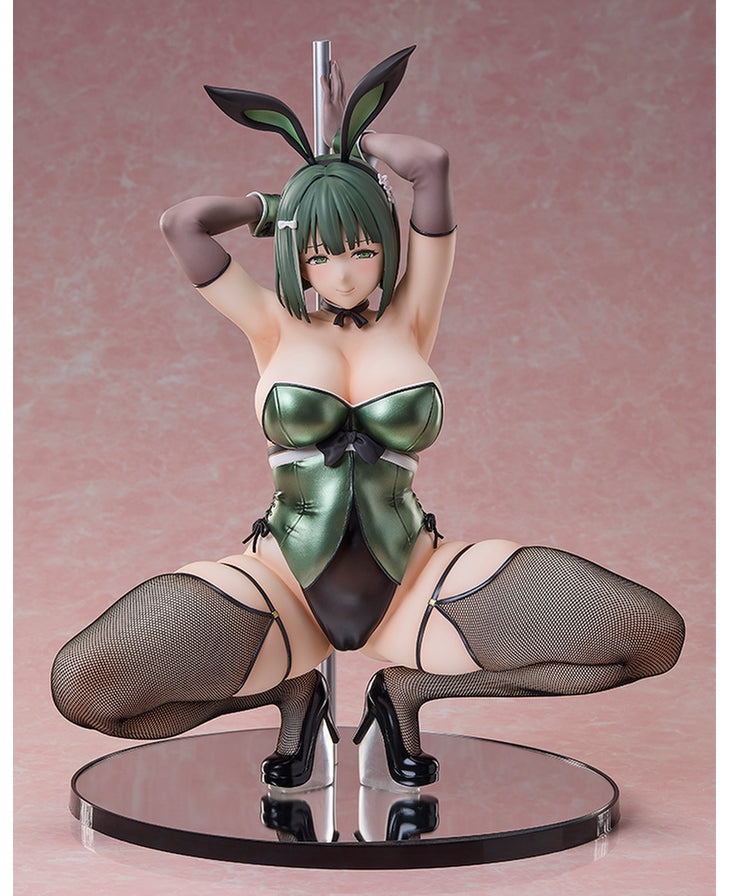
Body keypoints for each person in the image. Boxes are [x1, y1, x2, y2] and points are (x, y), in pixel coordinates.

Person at [51, 48, 685, 791]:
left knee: (646, 635)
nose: (345, 272)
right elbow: (183, 223)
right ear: (298, 258)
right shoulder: (273, 325)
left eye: (361, 248)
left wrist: (353, 155)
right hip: (281, 587)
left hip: (418, 580)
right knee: (87, 685)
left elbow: (431, 167)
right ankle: (293, 693)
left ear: (385, 243)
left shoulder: (413, 315)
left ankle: (408, 691)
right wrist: (282, 205)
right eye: (322, 256)